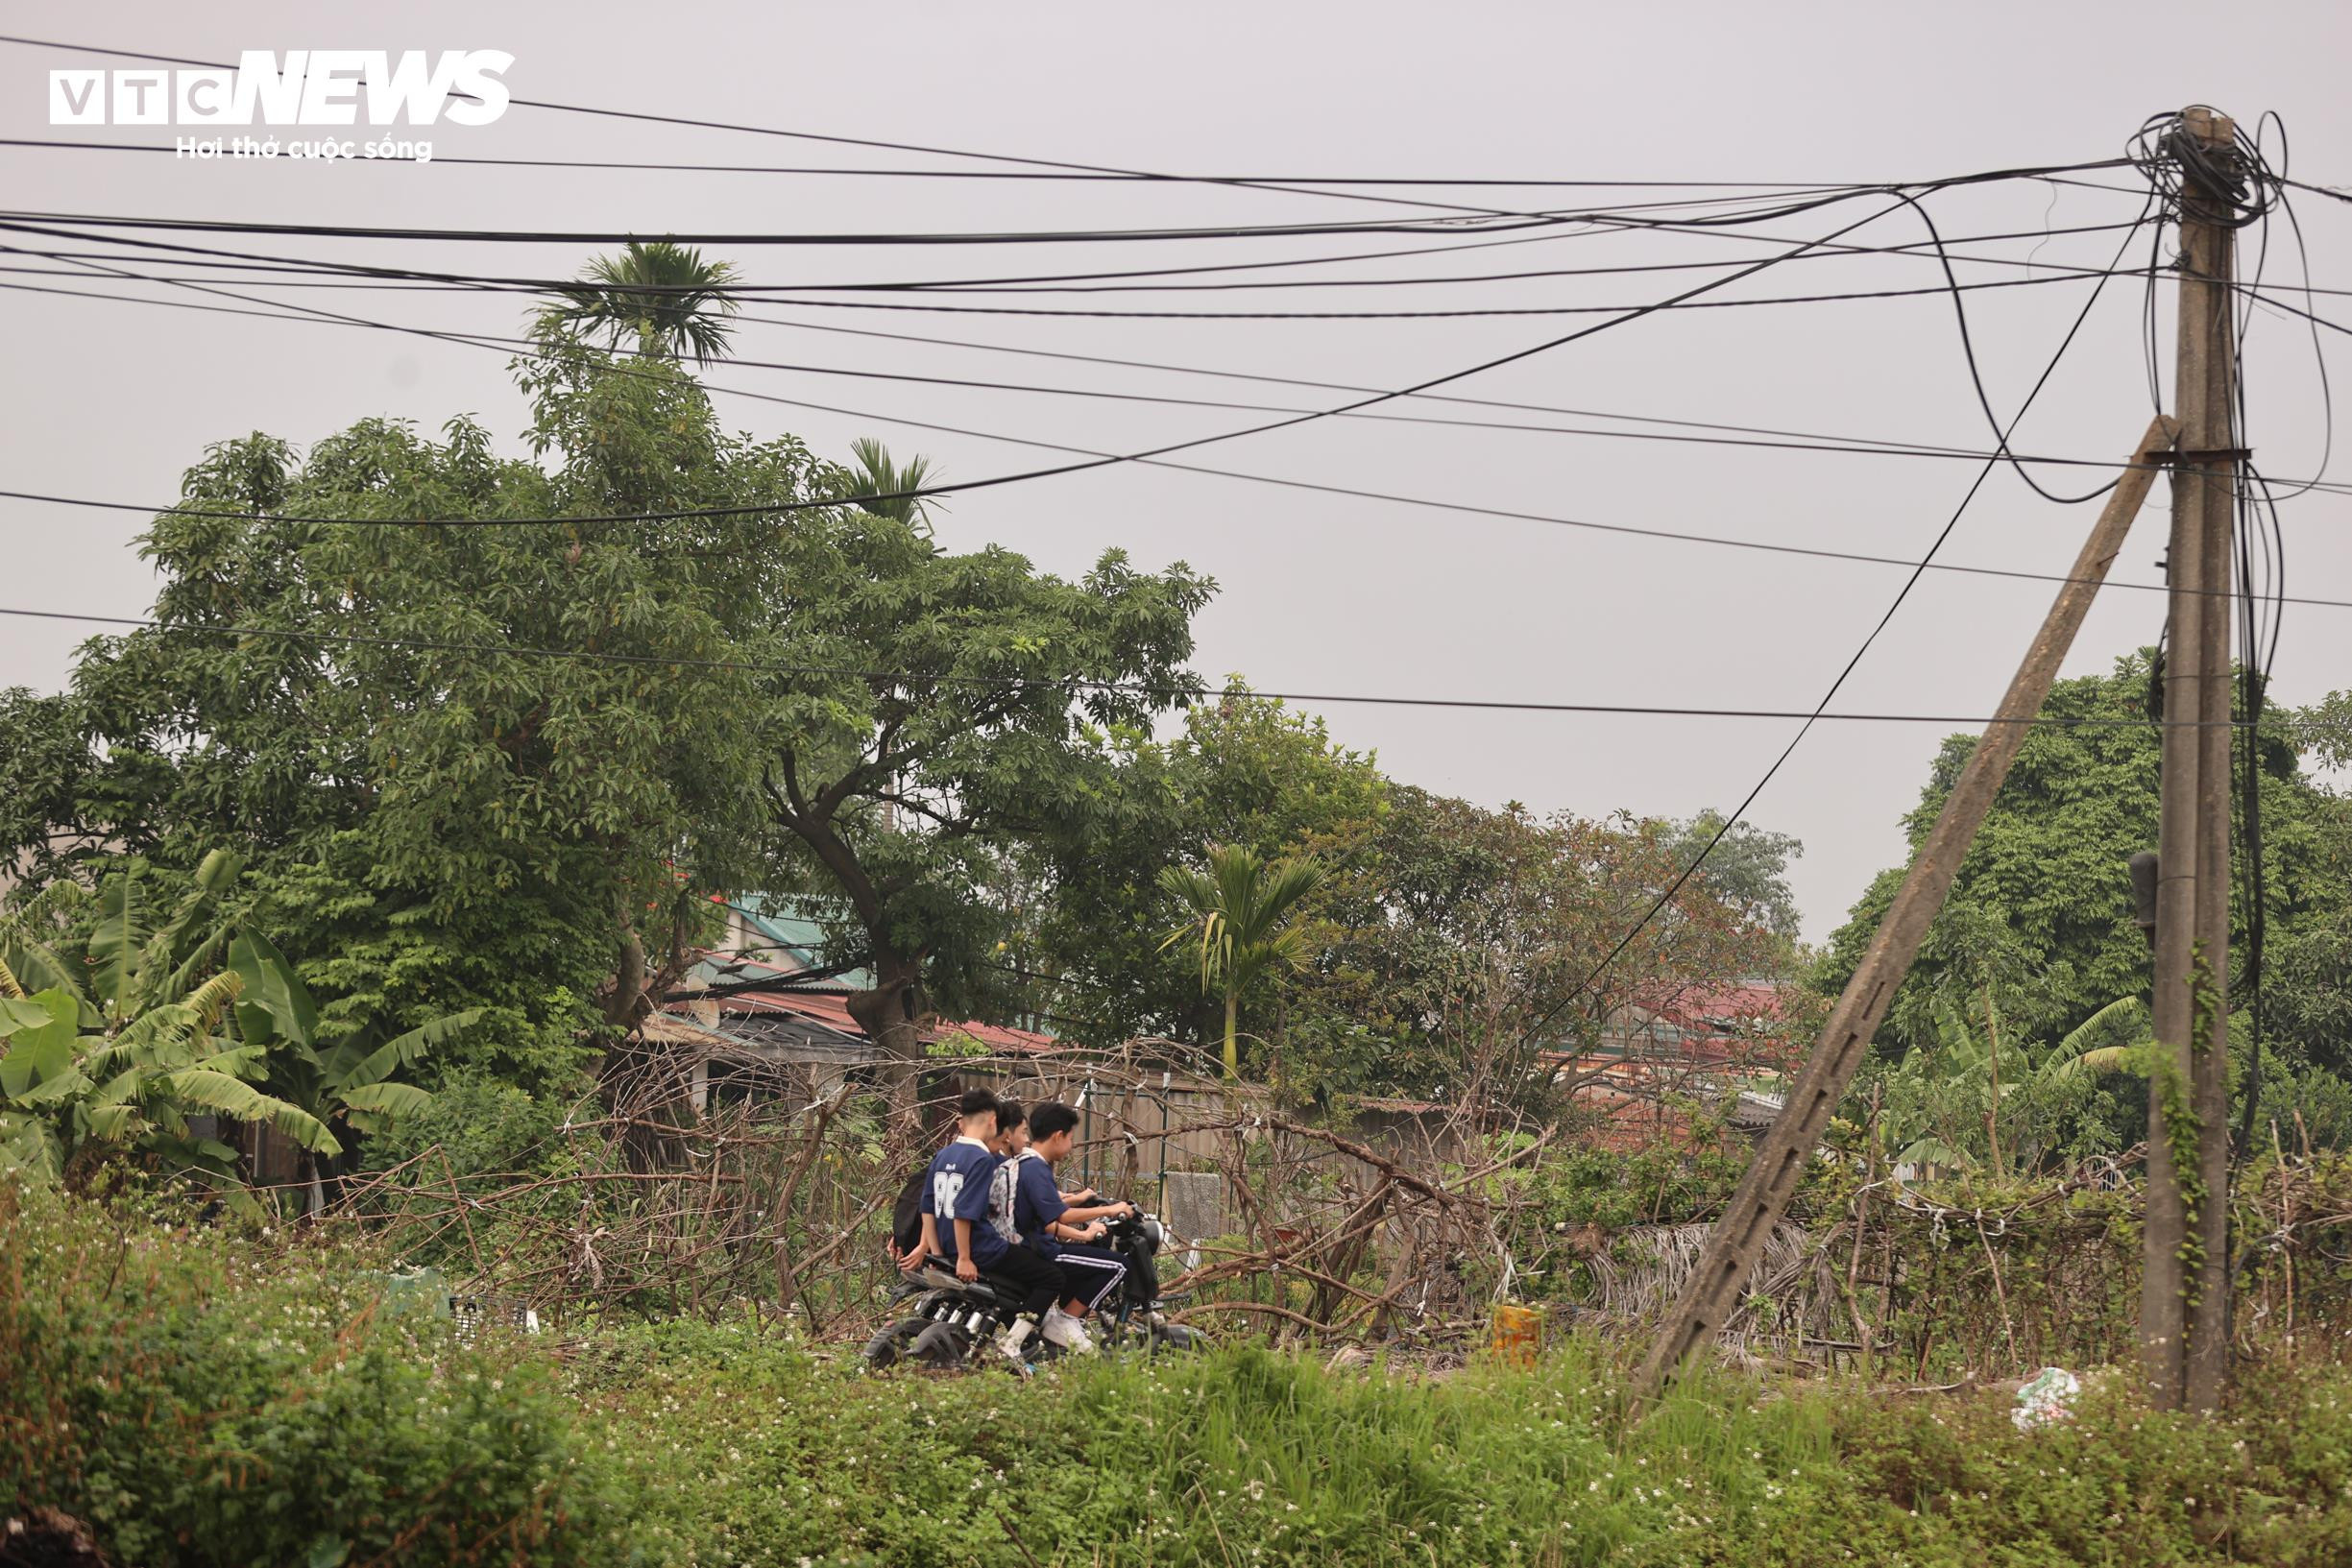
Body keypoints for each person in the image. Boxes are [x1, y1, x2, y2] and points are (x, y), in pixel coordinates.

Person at [901, 1088, 1068, 1364]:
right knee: (1053, 1277)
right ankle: (1014, 1344)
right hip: (981, 1248)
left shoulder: (943, 1155)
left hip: (949, 1248)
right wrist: (965, 1258)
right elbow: (965, 1213)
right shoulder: (981, 1159)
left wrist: (938, 1252)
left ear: (962, 1120)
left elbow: (928, 1207)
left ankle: (1021, 1338)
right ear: (993, 1120)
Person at [1016, 1103, 1140, 1343]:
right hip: (1040, 1250)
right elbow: (1061, 1215)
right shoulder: (1036, 1169)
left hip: (1030, 1246)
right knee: (1120, 1265)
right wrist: (1110, 1208)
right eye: (1071, 1138)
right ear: (1058, 1136)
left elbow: (1050, 1207)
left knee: (1093, 1258)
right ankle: (1066, 1320)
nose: (1071, 1146)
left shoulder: (1025, 1164)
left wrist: (1080, 1200)